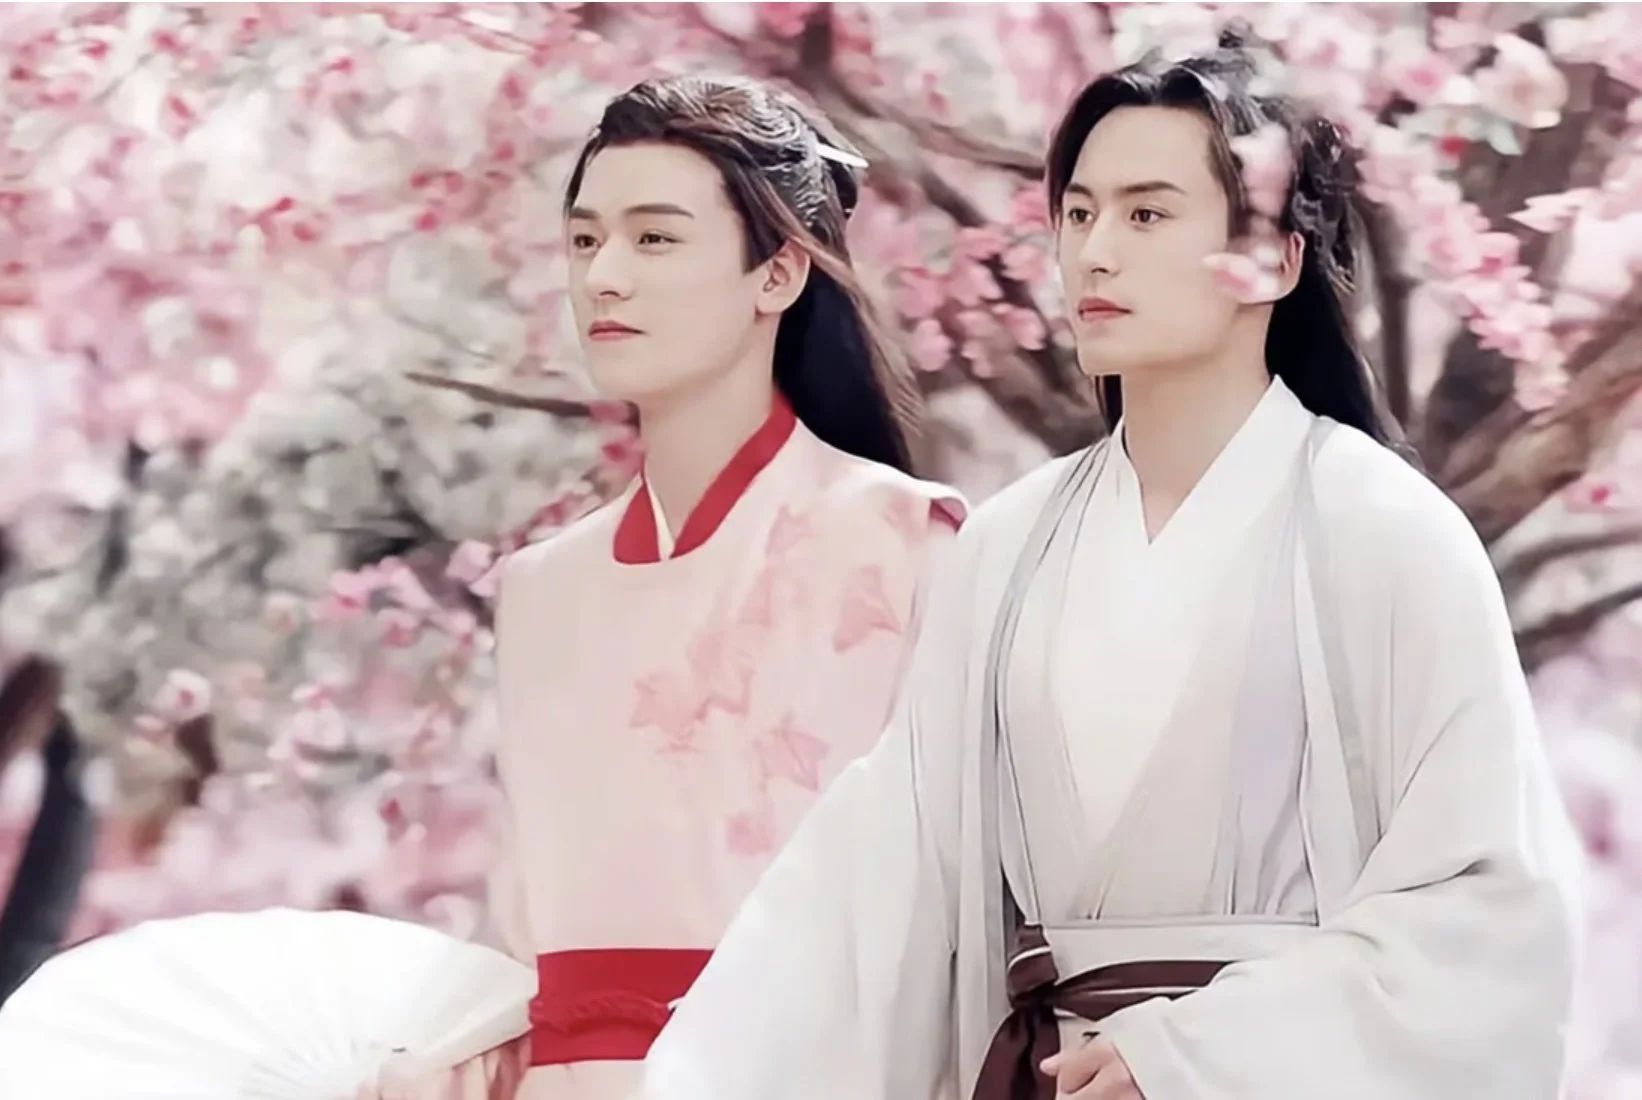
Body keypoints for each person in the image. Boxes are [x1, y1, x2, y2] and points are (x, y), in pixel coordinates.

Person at [637, 35, 1584, 1100]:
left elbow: (1483, 912)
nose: (1092, 253)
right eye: (1079, 214)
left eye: (1146, 215)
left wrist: (1195, 1052)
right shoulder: (1007, 547)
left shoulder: (1387, 534)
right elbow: (882, 880)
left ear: (1276, 259)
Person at [372, 75, 967, 1100]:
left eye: (654, 238)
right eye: (585, 239)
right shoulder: (542, 591)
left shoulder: (903, 542)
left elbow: (955, 917)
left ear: (777, 272)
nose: (604, 275)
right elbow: (529, 945)